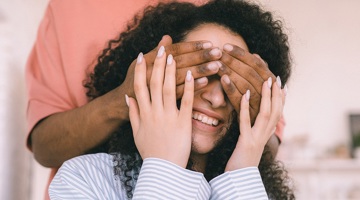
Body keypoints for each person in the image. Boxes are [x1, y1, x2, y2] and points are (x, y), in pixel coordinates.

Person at [26, 0, 283, 198]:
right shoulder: (83, 179)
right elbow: (44, 145)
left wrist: (242, 174)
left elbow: (266, 140)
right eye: (197, 74)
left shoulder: (252, 186)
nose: (216, 98)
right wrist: (165, 166)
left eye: (230, 83)